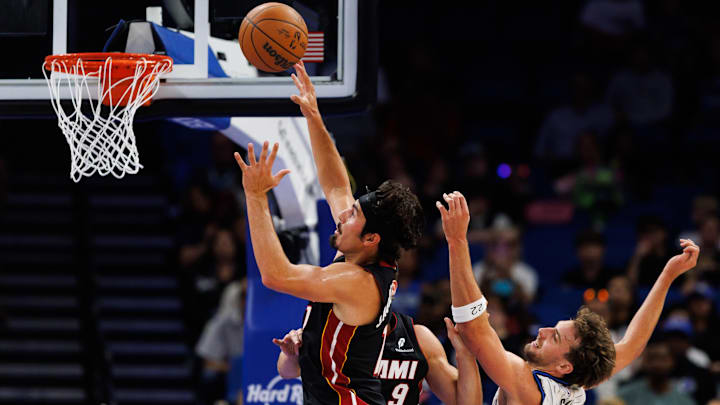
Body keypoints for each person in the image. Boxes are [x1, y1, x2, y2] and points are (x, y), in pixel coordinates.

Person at [233, 61, 424, 405]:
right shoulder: (361, 253)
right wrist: (314, 116)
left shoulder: (357, 281)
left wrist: (256, 196)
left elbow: (275, 276)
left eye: (353, 215)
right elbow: (337, 186)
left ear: (371, 238)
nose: (342, 214)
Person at [436, 191, 699, 405]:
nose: (543, 330)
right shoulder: (577, 382)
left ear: (564, 365)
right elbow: (633, 344)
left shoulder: (529, 386)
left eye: (555, 336)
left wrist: (457, 240)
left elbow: (475, 328)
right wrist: (667, 276)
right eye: (554, 329)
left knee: (426, 344)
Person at [272, 310, 482, 405]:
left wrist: (466, 353)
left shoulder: (417, 337)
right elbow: (287, 371)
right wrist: (292, 354)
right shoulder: (332, 330)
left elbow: (464, 402)